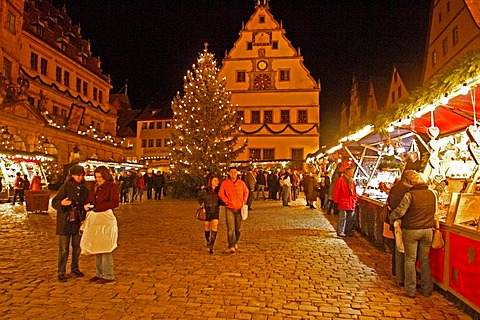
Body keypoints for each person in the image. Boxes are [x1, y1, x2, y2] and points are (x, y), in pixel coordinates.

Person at [389, 172, 447, 298]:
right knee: (424, 259)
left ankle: (411, 290)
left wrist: (391, 218)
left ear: (411, 183)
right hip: (427, 231)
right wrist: (443, 183)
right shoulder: (432, 193)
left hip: (411, 230)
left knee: (409, 260)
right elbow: (439, 192)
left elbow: (400, 211)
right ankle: (427, 289)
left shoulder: (410, 195)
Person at [51, 164, 90, 282]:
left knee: (77, 247)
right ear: (72, 176)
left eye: (81, 175)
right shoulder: (66, 186)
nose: (79, 177)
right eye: (77, 175)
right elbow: (55, 202)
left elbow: (84, 202)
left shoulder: (84, 188)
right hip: (65, 221)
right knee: (64, 248)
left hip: (77, 221)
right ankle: (61, 271)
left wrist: (85, 207)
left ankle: (75, 268)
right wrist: (62, 203)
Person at [84, 166, 120, 284]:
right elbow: (91, 198)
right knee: (97, 245)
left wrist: (97, 207)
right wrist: (88, 204)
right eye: (96, 177)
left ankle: (108, 274)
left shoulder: (111, 186)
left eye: (100, 177)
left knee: (105, 246)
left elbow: (114, 202)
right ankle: (99, 273)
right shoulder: (94, 186)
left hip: (105, 217)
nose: (98, 179)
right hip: (95, 217)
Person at [386, 170, 415, 287]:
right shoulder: (406, 189)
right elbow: (403, 208)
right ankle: (402, 278)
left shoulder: (395, 187)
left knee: (397, 249)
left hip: (396, 221)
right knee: (401, 251)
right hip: (402, 222)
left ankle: (397, 274)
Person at [218, 167, 249, 253]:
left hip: (239, 208)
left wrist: (244, 200)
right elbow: (221, 193)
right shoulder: (225, 183)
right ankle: (231, 245)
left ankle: (235, 241)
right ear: (229, 173)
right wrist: (226, 201)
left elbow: (246, 191)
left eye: (235, 172)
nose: (233, 173)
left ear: (237, 173)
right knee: (230, 228)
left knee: (237, 229)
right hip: (229, 208)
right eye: (231, 172)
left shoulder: (241, 183)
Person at [198, 175, 221, 254]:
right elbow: (200, 198)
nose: (216, 182)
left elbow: (222, 199)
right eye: (215, 180)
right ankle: (208, 240)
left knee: (215, 226)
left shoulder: (219, 190)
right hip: (207, 210)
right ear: (211, 182)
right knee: (207, 227)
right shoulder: (205, 190)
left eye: (217, 180)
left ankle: (212, 245)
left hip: (215, 209)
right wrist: (202, 204)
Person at [333, 166, 357, 237]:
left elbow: (354, 192)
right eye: (351, 172)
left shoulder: (351, 181)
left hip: (351, 202)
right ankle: (340, 231)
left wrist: (355, 199)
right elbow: (337, 190)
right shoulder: (341, 180)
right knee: (342, 217)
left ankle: (347, 231)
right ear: (348, 172)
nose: (352, 173)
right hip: (343, 201)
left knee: (350, 218)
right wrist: (335, 200)